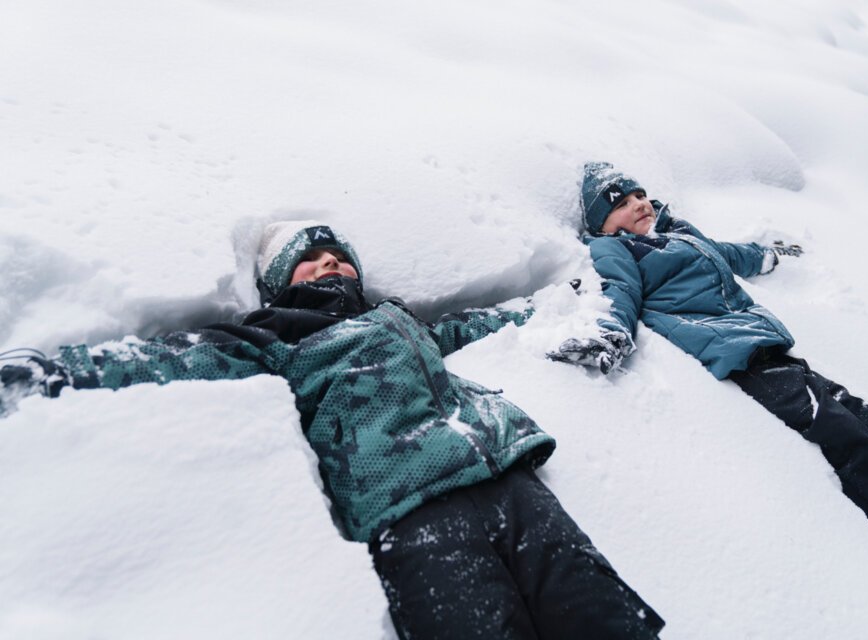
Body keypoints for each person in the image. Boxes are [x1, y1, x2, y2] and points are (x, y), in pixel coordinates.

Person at [0, 220, 665, 640]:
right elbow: (171, 358)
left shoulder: (398, 320)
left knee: (604, 617)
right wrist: (52, 372)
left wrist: (566, 299)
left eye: (337, 256)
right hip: (405, 511)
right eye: (309, 258)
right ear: (278, 282)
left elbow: (484, 324)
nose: (328, 265)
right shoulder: (272, 335)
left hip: (509, 478)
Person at [549, 161, 868, 594]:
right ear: (603, 224)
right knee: (848, 439)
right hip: (741, 359)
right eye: (621, 204)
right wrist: (611, 334)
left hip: (770, 349)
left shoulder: (679, 236)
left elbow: (726, 254)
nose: (638, 204)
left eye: (639, 195)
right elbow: (620, 292)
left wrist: (767, 255)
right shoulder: (617, 250)